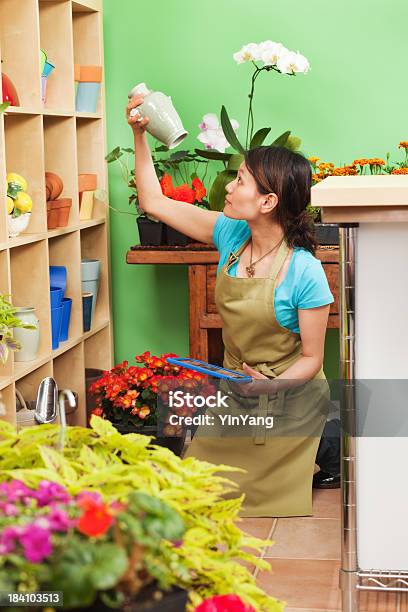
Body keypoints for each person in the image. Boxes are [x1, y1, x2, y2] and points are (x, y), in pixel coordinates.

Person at [126, 95, 335, 517]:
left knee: (261, 506)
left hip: (287, 399)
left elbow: (312, 359)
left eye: (240, 181)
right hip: (236, 394)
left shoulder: (305, 271)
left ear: (268, 202)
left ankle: (318, 454)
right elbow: (154, 203)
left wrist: (270, 386)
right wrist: (139, 134)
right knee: (197, 495)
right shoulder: (229, 235)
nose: (230, 187)